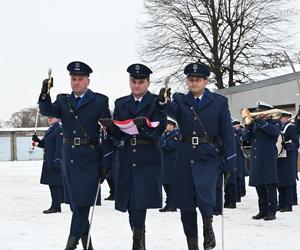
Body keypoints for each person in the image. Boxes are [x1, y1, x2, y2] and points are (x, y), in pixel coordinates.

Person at [157, 62, 236, 250]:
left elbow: (227, 133)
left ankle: (208, 226)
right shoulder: (181, 101)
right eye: (191, 80)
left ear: (205, 81)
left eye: (198, 80)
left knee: (205, 197)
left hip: (208, 155)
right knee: (185, 204)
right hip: (184, 156)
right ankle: (192, 243)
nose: (194, 83)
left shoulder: (218, 102)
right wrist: (162, 102)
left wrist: (231, 162)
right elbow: (170, 111)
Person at [38, 61, 112, 250]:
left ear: (88, 80)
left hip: (90, 157)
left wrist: (106, 161)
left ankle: (70, 244)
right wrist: (45, 94)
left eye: (80, 79)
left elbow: (107, 132)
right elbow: (47, 111)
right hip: (69, 157)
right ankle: (88, 246)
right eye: (73, 79)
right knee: (75, 205)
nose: (76, 82)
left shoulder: (100, 101)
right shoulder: (63, 101)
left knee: (83, 204)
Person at [100, 63, 167, 250]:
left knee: (141, 201)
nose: (137, 85)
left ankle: (137, 242)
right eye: (133, 81)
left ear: (148, 82)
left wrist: (144, 126)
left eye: (141, 82)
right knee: (130, 202)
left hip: (148, 156)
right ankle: (139, 239)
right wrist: (112, 129)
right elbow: (119, 135)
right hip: (127, 156)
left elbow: (159, 129)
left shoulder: (156, 102)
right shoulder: (121, 103)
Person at [244, 101, 281, 221]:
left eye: (260, 111)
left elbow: (274, 132)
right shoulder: (256, 124)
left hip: (268, 159)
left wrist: (261, 123)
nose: (257, 113)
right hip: (257, 159)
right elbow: (246, 139)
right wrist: (248, 127)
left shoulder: (274, 123)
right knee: (259, 186)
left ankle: (272, 212)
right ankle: (262, 210)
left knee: (270, 186)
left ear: (267, 112)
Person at [32, 117, 64, 214]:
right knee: (52, 183)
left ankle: (56, 205)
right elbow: (45, 144)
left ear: (57, 118)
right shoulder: (51, 129)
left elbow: (59, 146)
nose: (48, 119)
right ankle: (55, 205)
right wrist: (37, 141)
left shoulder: (59, 128)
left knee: (56, 184)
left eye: (51, 117)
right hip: (49, 161)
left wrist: (58, 160)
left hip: (55, 160)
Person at [277, 111, 299, 212]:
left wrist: (287, 145)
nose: (280, 119)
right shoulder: (279, 127)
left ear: (286, 118)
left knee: (287, 181)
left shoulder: (291, 127)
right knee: (280, 181)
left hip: (288, 157)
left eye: (281, 117)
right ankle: (281, 203)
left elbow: (295, 143)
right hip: (280, 157)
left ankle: (288, 204)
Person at [159, 117, 180, 212]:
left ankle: (171, 204)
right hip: (165, 163)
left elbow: (170, 146)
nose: (166, 126)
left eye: (168, 124)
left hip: (172, 163)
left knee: (170, 185)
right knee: (166, 184)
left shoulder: (175, 134)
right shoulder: (166, 134)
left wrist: (162, 142)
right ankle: (170, 203)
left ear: (172, 125)